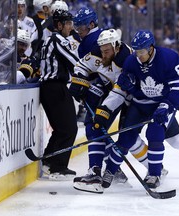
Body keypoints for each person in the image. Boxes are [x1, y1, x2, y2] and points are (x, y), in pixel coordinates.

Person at [94, 30, 179, 190]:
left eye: (142, 51)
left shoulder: (168, 58)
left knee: (163, 136)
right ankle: (109, 171)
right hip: (139, 105)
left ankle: (162, 172)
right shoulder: (131, 62)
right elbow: (120, 90)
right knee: (126, 138)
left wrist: (168, 105)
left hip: (162, 105)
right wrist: (105, 109)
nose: (138, 55)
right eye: (136, 51)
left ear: (151, 48)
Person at [69, 28, 132, 193]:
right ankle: (102, 171)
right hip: (106, 91)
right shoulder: (99, 51)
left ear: (116, 46)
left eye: (107, 51)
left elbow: (119, 92)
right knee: (93, 127)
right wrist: (79, 81)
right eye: (102, 51)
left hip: (123, 97)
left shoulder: (126, 60)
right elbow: (82, 65)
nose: (104, 55)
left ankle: (97, 174)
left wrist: (104, 110)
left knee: (99, 128)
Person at [39, 9, 80, 181]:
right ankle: (58, 167)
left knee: (63, 128)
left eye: (71, 23)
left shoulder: (54, 40)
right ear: (59, 25)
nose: (71, 27)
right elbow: (74, 63)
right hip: (55, 88)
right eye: (68, 23)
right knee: (69, 128)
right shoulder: (57, 40)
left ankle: (49, 161)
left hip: (52, 88)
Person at [72, 7, 103, 122]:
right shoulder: (89, 39)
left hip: (103, 87)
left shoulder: (96, 40)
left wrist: (89, 85)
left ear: (91, 24)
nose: (78, 30)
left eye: (81, 26)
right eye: (77, 27)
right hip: (101, 86)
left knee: (93, 126)